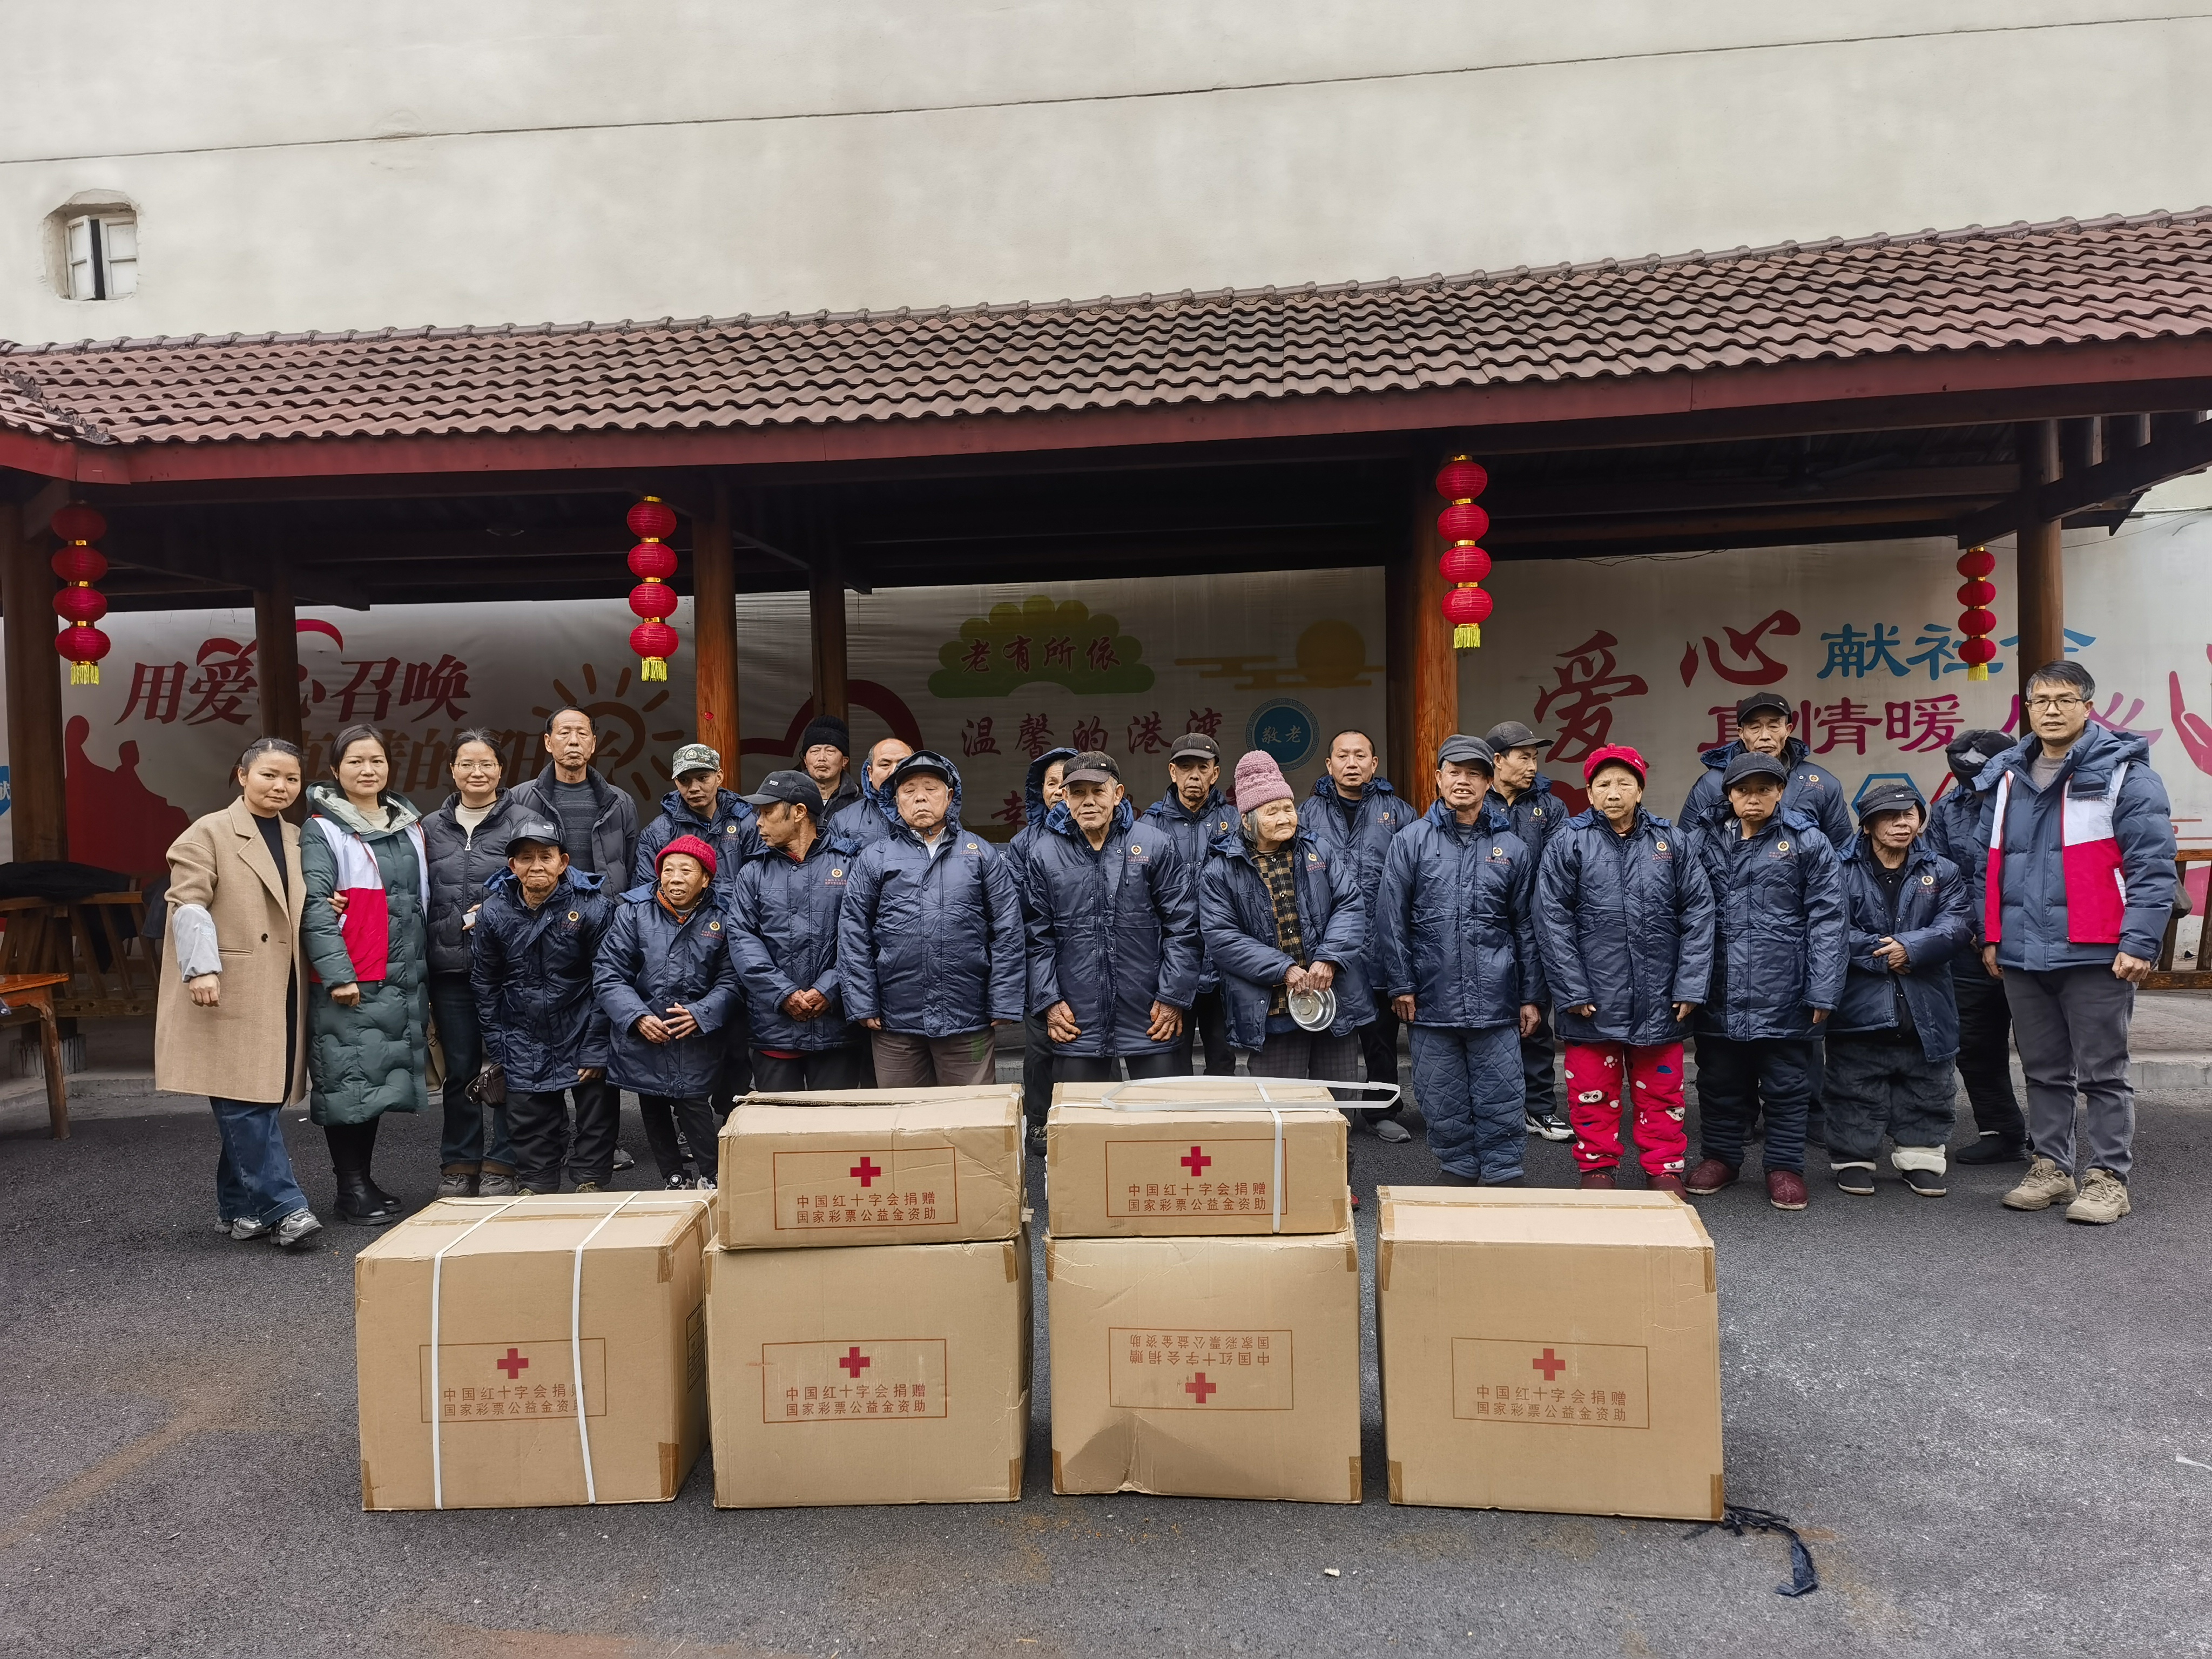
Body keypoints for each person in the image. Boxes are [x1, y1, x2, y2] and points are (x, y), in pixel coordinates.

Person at [1972, 660, 2176, 1225]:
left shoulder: (2125, 774)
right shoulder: (2007, 776)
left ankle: (2108, 1178)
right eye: (2041, 701)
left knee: (2103, 1072)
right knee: (2042, 1069)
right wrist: (1991, 935)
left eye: (2065, 700)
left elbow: (2152, 865)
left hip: (2096, 947)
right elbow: (1987, 862)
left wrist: (2140, 941)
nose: (2053, 710)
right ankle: (2051, 1168)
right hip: (2021, 950)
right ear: (2028, 710)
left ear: (2088, 707)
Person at [157, 737, 322, 1250]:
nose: (281, 786)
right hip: (230, 985)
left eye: (291, 778)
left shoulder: (298, 835)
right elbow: (187, 902)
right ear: (243, 775)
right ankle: (284, 1207)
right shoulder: (207, 832)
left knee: (260, 1095)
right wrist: (202, 969)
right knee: (247, 1098)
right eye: (269, 775)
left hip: (282, 984)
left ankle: (238, 1207)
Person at [1534, 744, 1713, 1195]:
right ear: (1589, 792)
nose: (1613, 793)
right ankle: (1597, 1167)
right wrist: (1572, 990)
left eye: (1624, 783)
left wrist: (1690, 984)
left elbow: (1698, 913)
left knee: (1663, 1092)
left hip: (1660, 994)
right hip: (1592, 996)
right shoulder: (1568, 842)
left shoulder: (1671, 841)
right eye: (1603, 784)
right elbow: (1552, 919)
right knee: (1592, 1091)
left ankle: (1664, 1167)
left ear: (1640, 790)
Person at [1375, 736, 1545, 1187]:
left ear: (1489, 782)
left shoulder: (1512, 848)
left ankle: (1504, 1171)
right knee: (1439, 1094)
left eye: (1474, 774)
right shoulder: (1410, 841)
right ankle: (1458, 1168)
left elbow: (1527, 927)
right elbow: (1391, 919)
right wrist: (1401, 984)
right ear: (1438, 778)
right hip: (1432, 996)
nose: (1463, 781)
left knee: (1502, 1092)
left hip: (1497, 997)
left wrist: (1531, 995)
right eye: (1454, 772)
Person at [1684, 752, 1846, 1212]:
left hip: (1785, 987)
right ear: (1729, 795)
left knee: (1787, 1085)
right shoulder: (1700, 840)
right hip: (1718, 985)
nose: (1753, 798)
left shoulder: (1807, 840)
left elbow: (1830, 918)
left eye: (1763, 789)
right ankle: (1720, 1158)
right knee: (1718, 1081)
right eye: (1743, 790)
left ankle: (1784, 1167)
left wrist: (1823, 987)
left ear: (1780, 792)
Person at [299, 725, 431, 1226]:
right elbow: (316, 905)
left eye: (376, 760)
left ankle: (363, 1180)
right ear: (336, 770)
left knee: (371, 1080)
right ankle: (350, 1188)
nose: (367, 770)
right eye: (355, 761)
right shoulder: (323, 829)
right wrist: (338, 974)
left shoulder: (409, 824)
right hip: (355, 973)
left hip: (400, 972)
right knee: (347, 1080)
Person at [838, 750, 1026, 1085]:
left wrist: (1004, 1001)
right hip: (895, 1018)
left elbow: (1007, 930)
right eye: (909, 790)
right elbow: (854, 932)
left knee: (972, 1110)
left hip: (969, 1014)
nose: (920, 797)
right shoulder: (875, 857)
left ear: (950, 797)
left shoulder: (981, 854)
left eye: (931, 788)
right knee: (903, 1113)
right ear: (896, 800)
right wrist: (863, 1002)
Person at [1823, 783, 1972, 1197]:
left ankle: (1921, 1159)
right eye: (1890, 816)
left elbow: (1958, 923)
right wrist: (1881, 954)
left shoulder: (1943, 871)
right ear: (1868, 825)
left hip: (1926, 1003)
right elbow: (1828, 926)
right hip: (1859, 1004)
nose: (1902, 823)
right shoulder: (1839, 868)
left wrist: (1910, 947)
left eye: (1910, 815)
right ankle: (1853, 1159)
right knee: (1853, 1086)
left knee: (1928, 1087)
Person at [1024, 750, 1201, 1086]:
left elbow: (1184, 928)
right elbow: (1036, 938)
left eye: (1098, 791)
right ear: (1065, 797)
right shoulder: (1044, 854)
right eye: (1078, 792)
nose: (1088, 801)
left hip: (1151, 1015)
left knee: (1161, 1114)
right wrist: (1049, 1000)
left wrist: (1172, 997)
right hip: (1076, 1019)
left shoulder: (1155, 844)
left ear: (1118, 794)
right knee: (1081, 1115)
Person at [468, 817, 618, 1195]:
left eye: (546, 857)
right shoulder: (493, 912)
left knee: (596, 1111)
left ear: (563, 862)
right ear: (512, 866)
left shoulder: (594, 908)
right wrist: (499, 1043)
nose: (536, 866)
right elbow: (485, 982)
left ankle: (590, 1183)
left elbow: (608, 981)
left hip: (582, 1024)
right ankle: (537, 1186)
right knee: (529, 1119)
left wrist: (596, 1045)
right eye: (526, 858)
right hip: (521, 1030)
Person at [1199, 752, 1366, 1081]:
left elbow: (1349, 903)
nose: (1284, 818)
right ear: (1247, 819)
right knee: (1281, 1100)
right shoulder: (1221, 869)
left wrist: (1329, 958)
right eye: (1271, 811)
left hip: (1332, 998)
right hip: (1271, 1008)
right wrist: (1284, 969)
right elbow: (1222, 938)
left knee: (1340, 1098)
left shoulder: (1318, 850)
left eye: (1288, 808)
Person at [595, 835, 743, 1188]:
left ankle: (715, 1177)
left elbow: (733, 979)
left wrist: (701, 1013)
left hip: (695, 1034)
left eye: (686, 871)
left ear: (705, 879)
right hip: (645, 1031)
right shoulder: (633, 911)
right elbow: (609, 972)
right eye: (668, 870)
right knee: (652, 1103)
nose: (675, 878)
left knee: (693, 1103)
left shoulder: (723, 916)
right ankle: (674, 1178)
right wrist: (637, 1017)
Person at [421, 728, 526, 1198]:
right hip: (449, 968)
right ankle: (459, 1163)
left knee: (509, 1063)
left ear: (501, 770)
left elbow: (546, 880)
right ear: (452, 770)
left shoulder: (524, 821)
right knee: (459, 1068)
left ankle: (504, 1162)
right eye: (467, 763)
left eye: (486, 763)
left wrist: (500, 906)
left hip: (509, 966)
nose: (477, 772)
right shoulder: (428, 828)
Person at [633, 741, 761, 1109]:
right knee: (686, 1034)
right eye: (685, 780)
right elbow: (646, 891)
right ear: (675, 783)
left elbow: (760, 881)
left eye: (702, 778)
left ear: (719, 776)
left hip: (737, 939)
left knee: (737, 1039)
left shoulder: (747, 821)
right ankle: (691, 1118)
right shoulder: (659, 830)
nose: (694, 787)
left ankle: (729, 1112)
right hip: (681, 942)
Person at [1924, 728, 2029, 1163]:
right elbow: (1940, 879)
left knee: (2042, 1049)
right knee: (1975, 1044)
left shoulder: (2034, 802)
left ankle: (2054, 1141)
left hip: (2028, 942)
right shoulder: (1947, 809)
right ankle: (2002, 1131)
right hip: (1971, 946)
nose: (1971, 785)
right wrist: (1975, 933)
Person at [1304, 728, 1414, 1142]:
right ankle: (1328, 1113)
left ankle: (1383, 1111)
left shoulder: (1399, 813)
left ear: (1374, 763)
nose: (1352, 763)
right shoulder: (1306, 813)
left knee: (1381, 1036)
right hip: (1327, 945)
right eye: (1343, 756)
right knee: (1327, 1036)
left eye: (1360, 755)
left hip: (1382, 943)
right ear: (1329, 764)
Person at [729, 769, 866, 1091]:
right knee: (778, 1118)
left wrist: (829, 989)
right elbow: (742, 938)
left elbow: (863, 936)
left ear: (800, 812)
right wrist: (784, 993)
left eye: (767, 812)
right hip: (774, 1025)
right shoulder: (753, 871)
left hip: (836, 1023)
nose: (758, 823)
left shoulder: (850, 863)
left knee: (834, 1119)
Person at [1486, 719, 1573, 1143]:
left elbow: (1562, 866)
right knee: (1489, 1021)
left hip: (1537, 926)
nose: (1533, 766)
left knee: (1535, 1017)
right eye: (1524, 757)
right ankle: (1497, 1111)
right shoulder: (1475, 800)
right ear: (1497, 760)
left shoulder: (1550, 807)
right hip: (1486, 925)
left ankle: (1539, 1109)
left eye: (1535, 758)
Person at [1141, 731, 1238, 1077]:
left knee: (1223, 1059)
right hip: (1170, 965)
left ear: (1215, 773)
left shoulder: (1237, 822)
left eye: (1202, 767)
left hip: (1224, 964)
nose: (1193, 776)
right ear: (1173, 772)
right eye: (1185, 767)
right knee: (1173, 1060)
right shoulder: (1148, 827)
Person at [1678, 690, 1854, 850]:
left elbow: (1842, 851)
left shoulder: (1822, 784)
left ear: (1788, 730)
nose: (1765, 736)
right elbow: (1686, 852)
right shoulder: (1711, 784)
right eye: (1755, 728)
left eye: (1774, 726)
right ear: (1741, 733)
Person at [1008, 745, 1076, 1150]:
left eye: (1068, 783)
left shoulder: (1105, 835)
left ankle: (1087, 1120)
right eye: (1052, 783)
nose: (1059, 790)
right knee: (1040, 1048)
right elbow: (1018, 909)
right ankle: (1038, 1119)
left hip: (1088, 963)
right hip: (1039, 960)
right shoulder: (1023, 844)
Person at [509, 705, 640, 885]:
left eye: (582, 734)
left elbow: (633, 865)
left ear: (593, 744)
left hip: (605, 900)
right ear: (548, 742)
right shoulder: (519, 798)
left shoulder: (620, 801)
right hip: (545, 900)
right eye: (564, 733)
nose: (574, 741)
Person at [828, 736, 914, 849]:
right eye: (885, 765)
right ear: (870, 773)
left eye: (902, 764)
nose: (894, 771)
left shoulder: (934, 814)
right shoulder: (843, 820)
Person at [800, 714, 861, 822]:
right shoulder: (788, 800)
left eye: (830, 751)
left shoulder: (861, 804)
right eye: (815, 751)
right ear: (805, 761)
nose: (821, 758)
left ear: (844, 761)